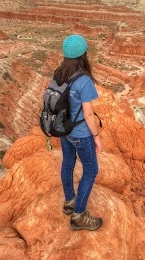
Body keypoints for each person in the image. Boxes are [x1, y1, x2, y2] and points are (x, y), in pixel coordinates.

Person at [53, 34, 103, 231]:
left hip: (64, 130)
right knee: (91, 171)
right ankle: (79, 216)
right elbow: (88, 114)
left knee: (68, 163)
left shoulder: (59, 73)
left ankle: (69, 202)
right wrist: (97, 137)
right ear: (83, 55)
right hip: (81, 134)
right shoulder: (84, 81)